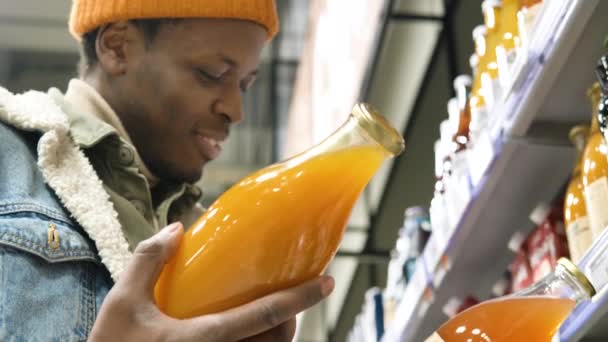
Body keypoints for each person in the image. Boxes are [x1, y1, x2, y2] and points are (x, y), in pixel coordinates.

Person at [0, 0, 334, 340]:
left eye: (244, 84)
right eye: (212, 74)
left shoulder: (201, 234)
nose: (235, 110)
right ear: (117, 47)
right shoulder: (8, 157)